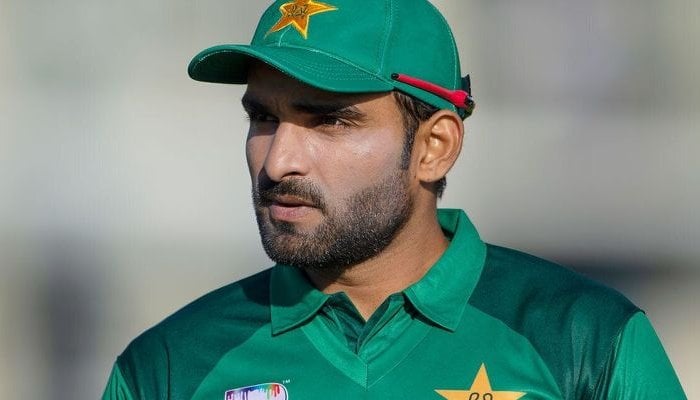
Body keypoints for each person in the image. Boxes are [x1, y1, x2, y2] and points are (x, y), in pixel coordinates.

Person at [102, 0, 686, 399]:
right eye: (263, 117)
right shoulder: (170, 366)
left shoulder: (585, 339)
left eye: (329, 122)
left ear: (435, 146)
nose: (279, 161)